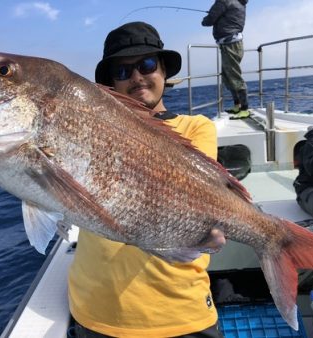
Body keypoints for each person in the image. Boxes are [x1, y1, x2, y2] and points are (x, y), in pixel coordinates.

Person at [68, 21, 226, 338]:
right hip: (95, 311)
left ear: (164, 69)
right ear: (111, 84)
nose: (137, 77)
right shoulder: (90, 132)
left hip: (181, 314)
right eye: (123, 72)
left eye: (147, 64)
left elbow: (194, 191)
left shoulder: (196, 128)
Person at [201, 0, 250, 119]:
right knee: (228, 76)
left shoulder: (224, 1)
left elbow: (209, 20)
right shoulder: (239, 2)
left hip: (229, 44)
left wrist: (205, 19)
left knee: (234, 76)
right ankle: (237, 105)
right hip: (233, 43)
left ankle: (245, 108)